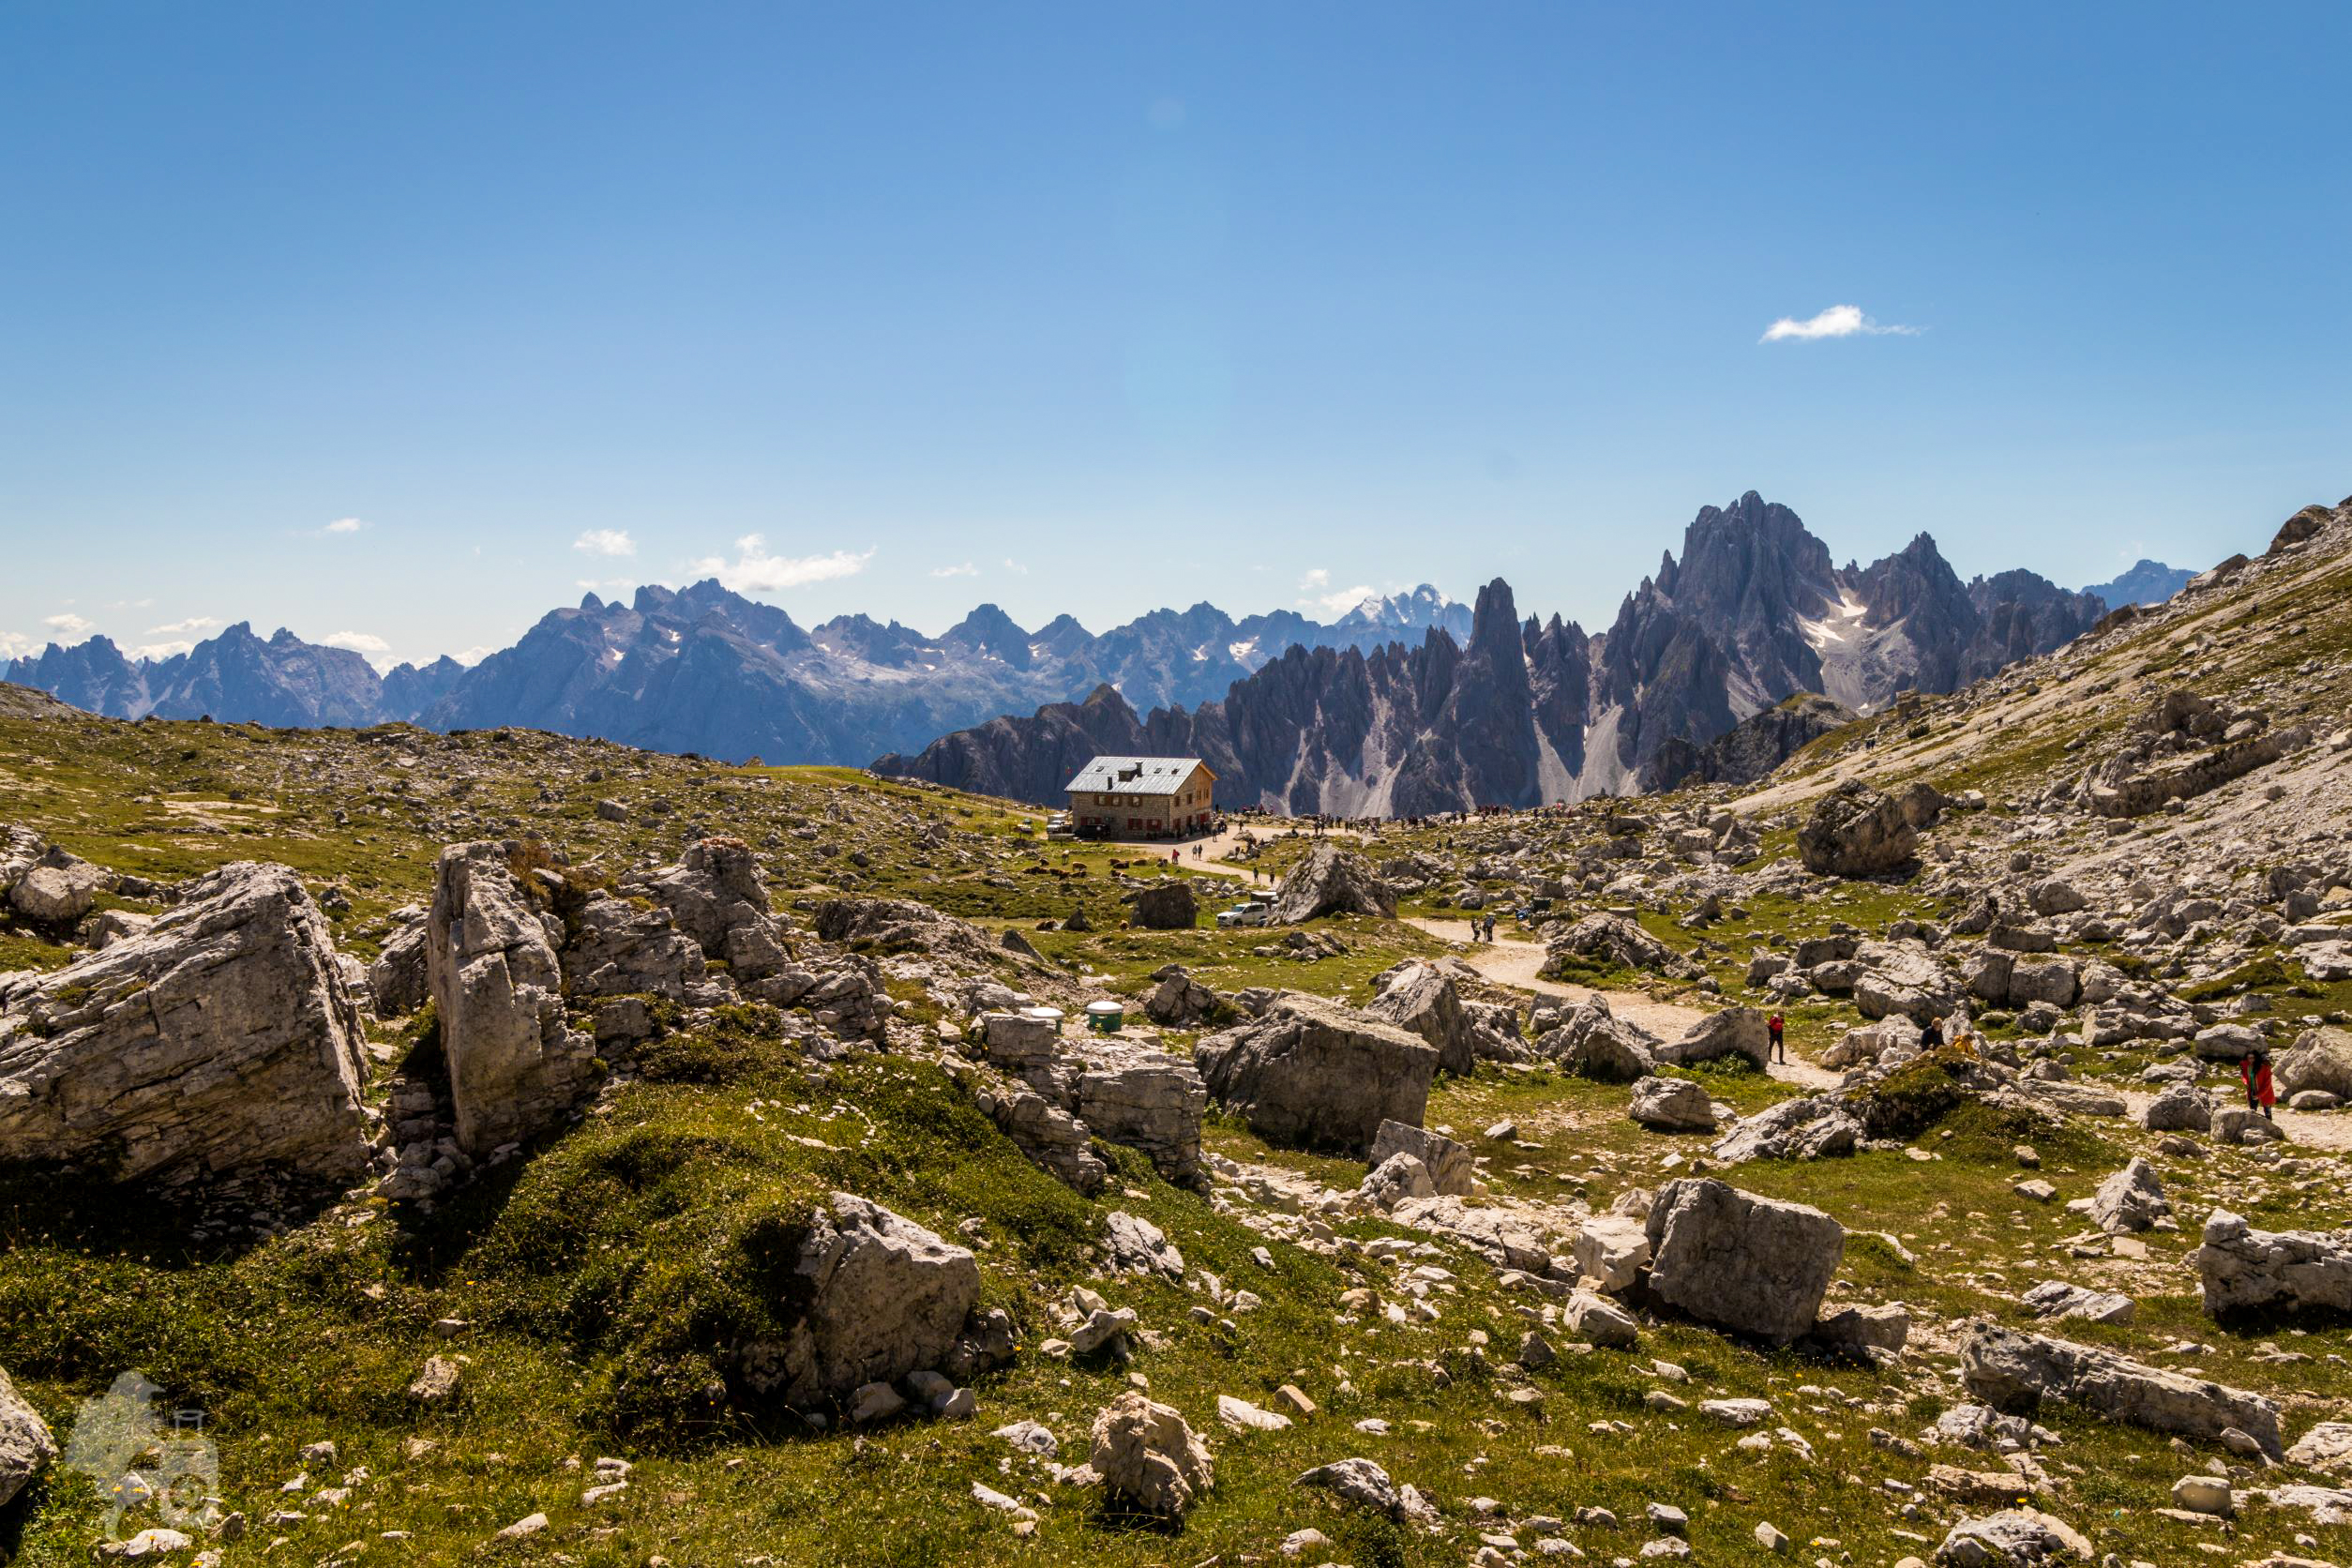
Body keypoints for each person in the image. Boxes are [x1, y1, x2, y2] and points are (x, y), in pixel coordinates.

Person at [2243, 1049, 2277, 1121]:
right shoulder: (2247, 1066)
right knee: (2253, 1110)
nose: (2251, 1060)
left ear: (2256, 1058)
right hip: (2252, 1091)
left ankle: (2269, 1127)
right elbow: (2244, 1076)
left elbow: (2267, 1083)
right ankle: (2254, 1125)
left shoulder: (2265, 1067)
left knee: (2267, 1112)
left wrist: (2259, 1095)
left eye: (2253, 1058)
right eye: (2249, 1058)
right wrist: (2245, 1082)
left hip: (2265, 1092)